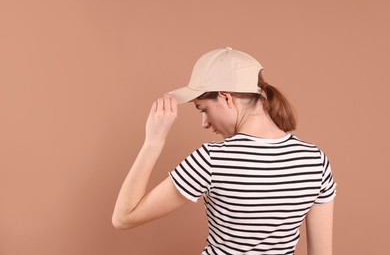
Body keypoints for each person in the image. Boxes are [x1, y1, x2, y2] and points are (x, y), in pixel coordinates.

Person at [112, 47, 336, 255]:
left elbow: (123, 217)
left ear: (226, 97)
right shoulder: (315, 161)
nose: (205, 123)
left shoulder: (212, 159)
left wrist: (153, 141)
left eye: (204, 109)